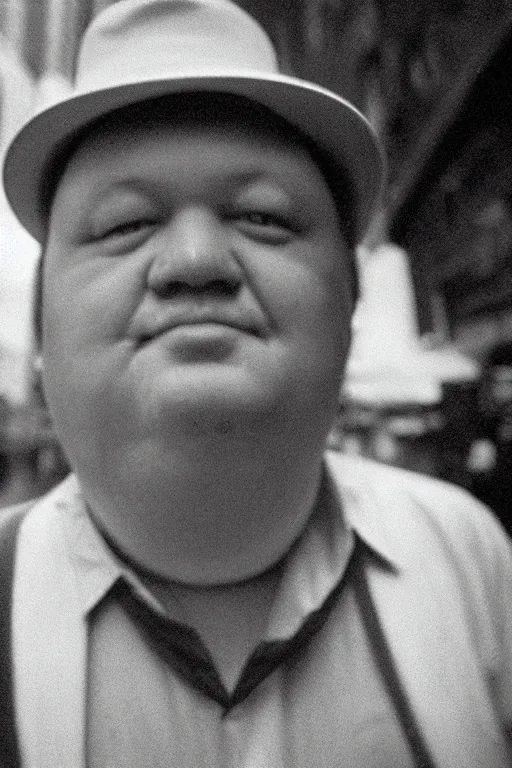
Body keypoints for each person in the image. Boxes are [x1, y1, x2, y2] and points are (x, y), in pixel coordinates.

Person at [1, 1, 512, 766]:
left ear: (351, 300)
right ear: (41, 330)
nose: (197, 260)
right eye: (123, 225)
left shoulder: (469, 558)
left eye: (265, 218)